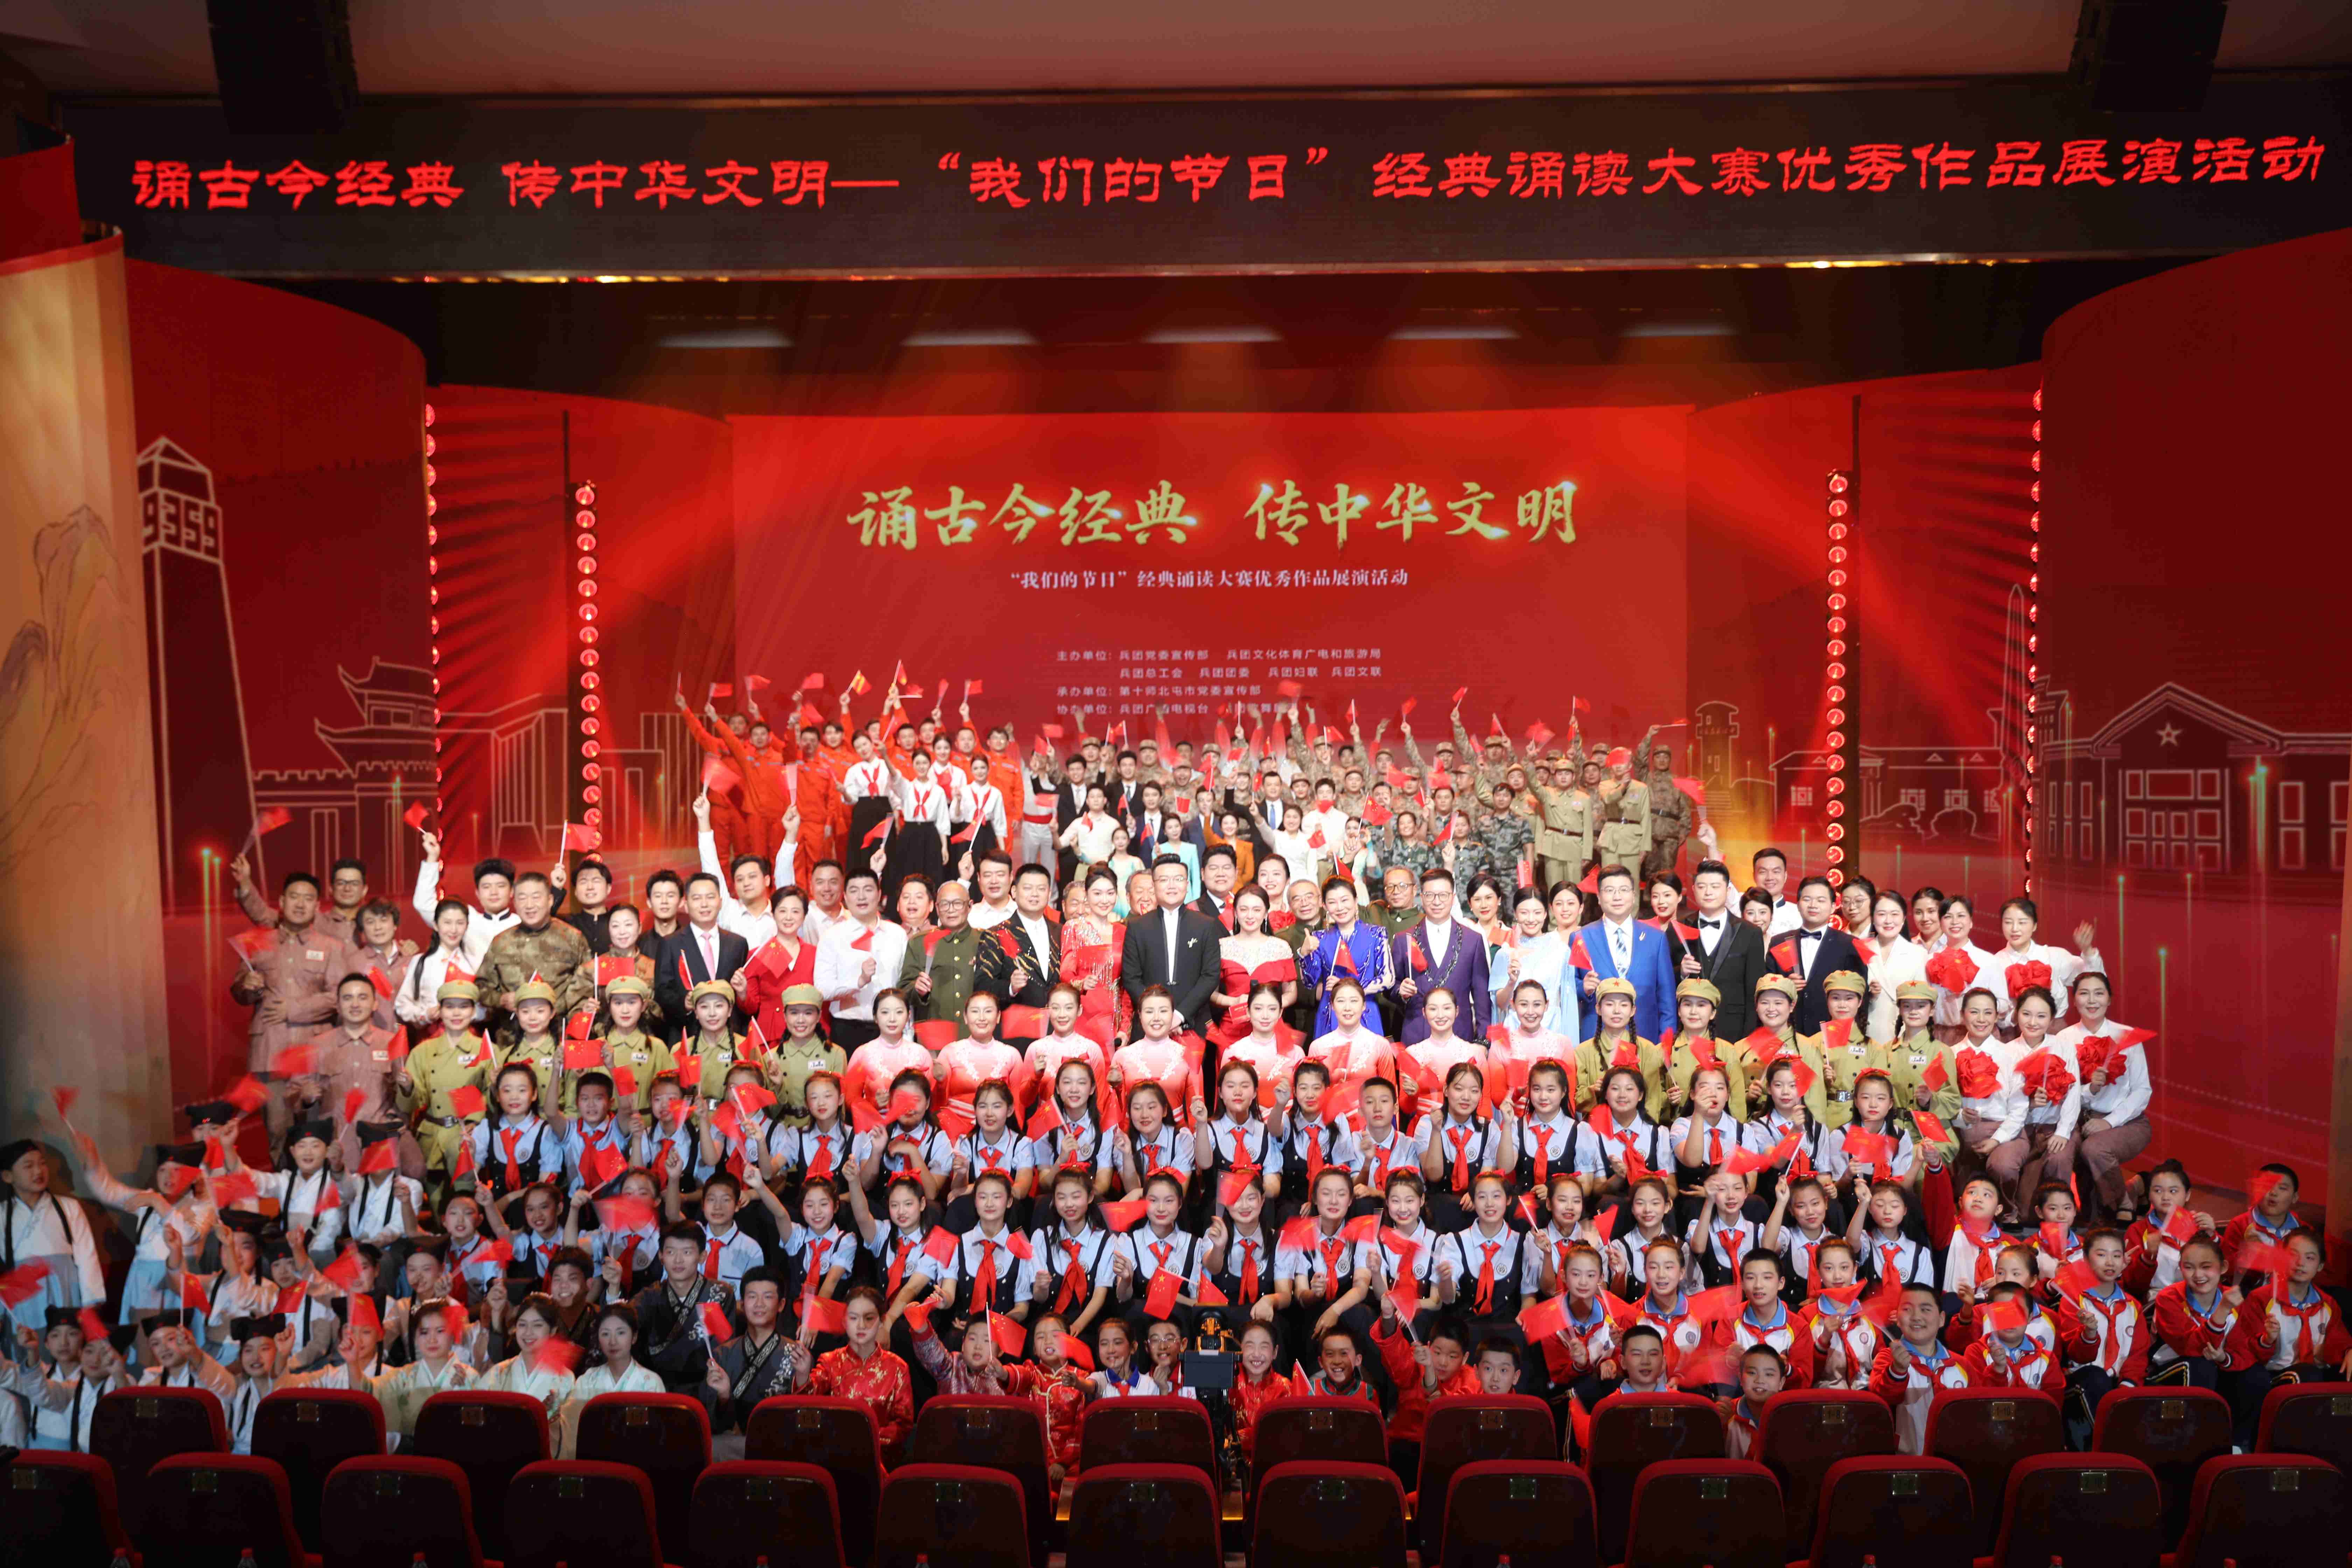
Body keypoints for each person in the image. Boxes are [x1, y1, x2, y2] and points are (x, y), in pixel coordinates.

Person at [1116, 857, 1224, 1037]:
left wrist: (1180, 1016)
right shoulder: (1137, 927)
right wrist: (1157, 1015)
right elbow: (1131, 978)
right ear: (1154, 886)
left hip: (1194, 1024)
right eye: (1164, 880)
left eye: (1179, 879)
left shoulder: (1206, 925)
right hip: (1149, 1026)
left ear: (1187, 885)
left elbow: (1210, 976)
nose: (1172, 886)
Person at [1579, 866, 1673, 1042]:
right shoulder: (1581, 937)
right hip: (1596, 1038)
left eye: (1624, 890)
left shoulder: (1656, 939)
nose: (1617, 897)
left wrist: (1666, 1045)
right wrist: (1583, 988)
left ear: (1634, 896)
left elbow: (1667, 1000)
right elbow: (1569, 989)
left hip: (1645, 1038)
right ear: (1599, 897)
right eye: (1610, 891)